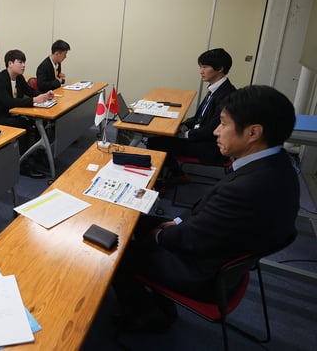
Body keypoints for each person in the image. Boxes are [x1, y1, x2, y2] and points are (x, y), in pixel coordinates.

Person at [112, 85, 299, 332]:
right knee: (133, 220)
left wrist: (158, 234)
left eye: (223, 124)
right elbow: (208, 217)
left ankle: (146, 315)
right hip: (222, 252)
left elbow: (191, 239)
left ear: (253, 132)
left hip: (202, 273)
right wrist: (175, 223)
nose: (216, 132)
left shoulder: (248, 188)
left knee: (115, 251)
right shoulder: (277, 164)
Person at [148, 48, 236, 182]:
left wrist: (182, 134)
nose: (201, 71)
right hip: (201, 137)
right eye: (201, 67)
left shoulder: (226, 95)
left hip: (209, 146)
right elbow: (198, 118)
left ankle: (166, 179)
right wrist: (181, 128)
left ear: (220, 69)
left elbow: (210, 130)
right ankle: (175, 172)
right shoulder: (216, 88)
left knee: (156, 142)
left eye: (205, 67)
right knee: (163, 137)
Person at [0, 49, 55, 178]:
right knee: (23, 125)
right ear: (10, 63)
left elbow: (30, 91)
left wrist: (44, 95)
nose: (23, 65)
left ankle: (38, 155)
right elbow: (8, 102)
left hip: (12, 113)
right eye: (20, 62)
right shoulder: (0, 80)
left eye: (24, 62)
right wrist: (34, 101)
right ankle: (24, 164)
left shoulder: (19, 78)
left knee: (37, 122)